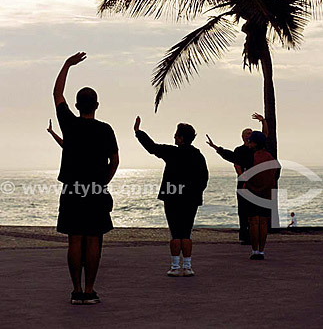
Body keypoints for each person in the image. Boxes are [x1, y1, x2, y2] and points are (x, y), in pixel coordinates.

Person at [53, 52, 119, 305]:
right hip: (95, 190)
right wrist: (103, 182)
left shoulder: (69, 124)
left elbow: (57, 94)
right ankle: (90, 290)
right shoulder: (105, 129)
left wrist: (66, 65)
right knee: (93, 240)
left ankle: (76, 290)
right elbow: (115, 161)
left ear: (77, 106)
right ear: (97, 105)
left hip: (71, 190)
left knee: (74, 239)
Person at [134, 116, 209, 277]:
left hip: (172, 196)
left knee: (175, 232)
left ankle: (175, 266)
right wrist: (195, 193)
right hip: (190, 199)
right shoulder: (198, 155)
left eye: (176, 135)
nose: (174, 137)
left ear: (181, 138)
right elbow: (204, 178)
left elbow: (152, 147)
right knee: (186, 232)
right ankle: (187, 266)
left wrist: (138, 132)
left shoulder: (172, 152)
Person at [206, 113, 268, 244]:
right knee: (243, 211)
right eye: (247, 132)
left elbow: (264, 137)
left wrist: (263, 122)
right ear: (243, 137)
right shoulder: (240, 150)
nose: (250, 133)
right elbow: (233, 160)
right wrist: (215, 147)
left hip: (256, 183)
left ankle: (255, 236)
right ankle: (245, 236)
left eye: (251, 132)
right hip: (244, 183)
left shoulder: (257, 149)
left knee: (257, 212)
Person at [240, 131, 280, 260]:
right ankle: (261, 251)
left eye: (250, 141)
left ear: (255, 143)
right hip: (267, 193)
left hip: (252, 192)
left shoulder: (252, 156)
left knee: (253, 222)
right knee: (263, 222)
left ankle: (254, 250)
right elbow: (276, 172)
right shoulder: (270, 157)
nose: (249, 143)